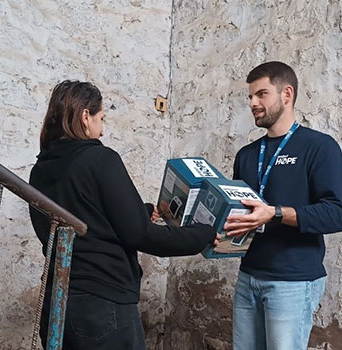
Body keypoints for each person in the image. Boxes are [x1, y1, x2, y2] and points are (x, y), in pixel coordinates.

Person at [28, 80, 217, 350]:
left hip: (58, 303)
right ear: (85, 116)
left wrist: (141, 211)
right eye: (101, 118)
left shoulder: (40, 170)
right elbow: (141, 235)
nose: (102, 130)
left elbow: (86, 216)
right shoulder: (100, 158)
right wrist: (204, 234)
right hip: (102, 304)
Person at [224, 62, 342, 349]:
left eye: (262, 94)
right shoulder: (246, 155)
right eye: (250, 97)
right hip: (248, 276)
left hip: (292, 282)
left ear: (287, 94)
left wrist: (276, 214)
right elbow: (239, 213)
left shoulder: (319, 147)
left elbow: (337, 214)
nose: (253, 103)